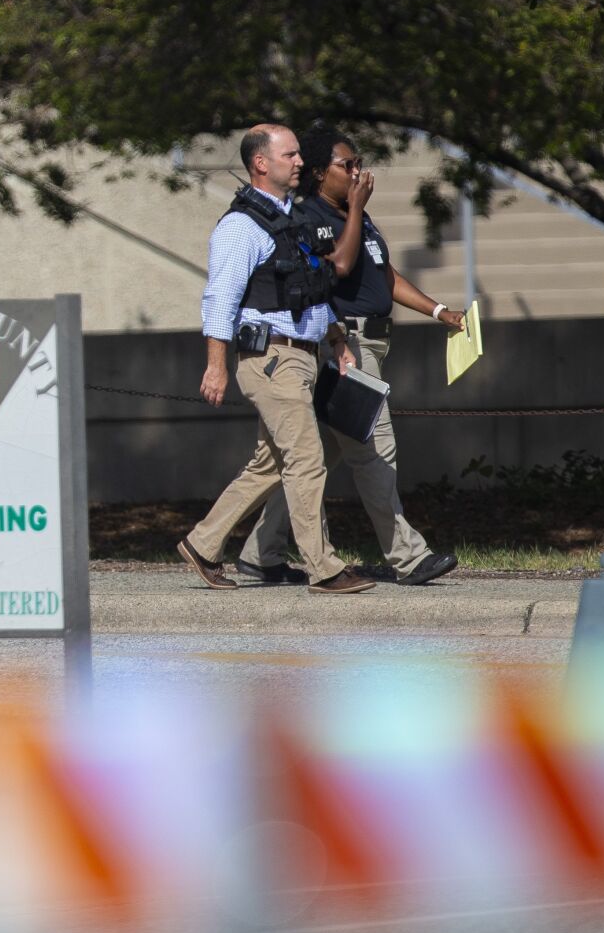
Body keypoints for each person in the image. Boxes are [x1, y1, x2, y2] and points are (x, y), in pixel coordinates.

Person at [234, 127, 462, 588]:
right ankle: (409, 556)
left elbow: (383, 274)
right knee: (376, 451)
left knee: (320, 454)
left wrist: (438, 311)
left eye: (359, 164)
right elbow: (338, 265)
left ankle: (261, 553)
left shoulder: (358, 217)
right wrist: (355, 208)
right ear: (321, 174)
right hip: (346, 348)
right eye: (348, 165)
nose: (359, 173)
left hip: (373, 343)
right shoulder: (311, 217)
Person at [176, 123, 375, 594]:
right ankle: (324, 568)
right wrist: (216, 365)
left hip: (302, 358)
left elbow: (311, 289)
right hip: (271, 360)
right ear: (261, 164)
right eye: (290, 155)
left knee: (269, 464)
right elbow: (219, 300)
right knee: (306, 458)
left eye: (299, 155)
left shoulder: (291, 222)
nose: (301, 162)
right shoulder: (240, 227)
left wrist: (335, 336)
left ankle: (202, 544)